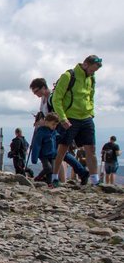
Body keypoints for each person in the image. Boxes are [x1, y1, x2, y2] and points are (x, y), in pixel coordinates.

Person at [51, 55, 103, 187]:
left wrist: (91, 112)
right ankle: (54, 177)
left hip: (86, 117)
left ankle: (95, 181)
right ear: (85, 64)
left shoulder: (91, 78)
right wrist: (62, 118)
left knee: (91, 148)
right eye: (92, 70)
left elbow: (91, 95)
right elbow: (56, 98)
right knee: (63, 148)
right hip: (70, 118)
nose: (93, 73)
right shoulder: (68, 76)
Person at [29, 77, 90, 185]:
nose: (35, 94)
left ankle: (62, 177)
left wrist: (43, 123)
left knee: (60, 154)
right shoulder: (44, 99)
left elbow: (55, 116)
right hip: (52, 130)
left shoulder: (51, 98)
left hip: (56, 130)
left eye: (36, 91)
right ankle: (70, 174)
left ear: (43, 87)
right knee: (60, 154)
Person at [31, 114, 60, 187]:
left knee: (51, 170)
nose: (54, 126)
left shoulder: (53, 132)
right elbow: (37, 145)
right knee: (48, 168)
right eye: (53, 124)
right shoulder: (41, 132)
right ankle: (38, 177)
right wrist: (34, 158)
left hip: (52, 154)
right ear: (46, 122)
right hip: (43, 155)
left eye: (56, 125)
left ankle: (49, 183)